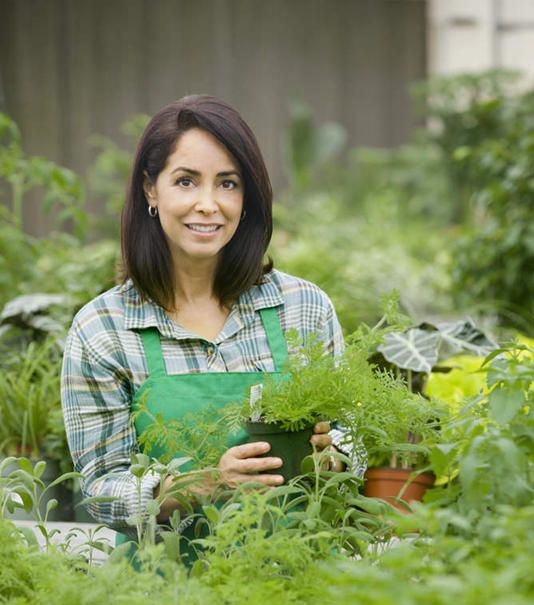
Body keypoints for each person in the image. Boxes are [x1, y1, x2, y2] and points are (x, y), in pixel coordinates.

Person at [61, 94, 348, 560]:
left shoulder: (303, 307)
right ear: (151, 190)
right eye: (186, 181)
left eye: (228, 184)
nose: (209, 204)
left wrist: (329, 456)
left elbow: (350, 446)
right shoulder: (104, 329)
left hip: (299, 591)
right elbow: (99, 489)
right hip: (166, 601)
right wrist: (208, 484)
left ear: (248, 198)